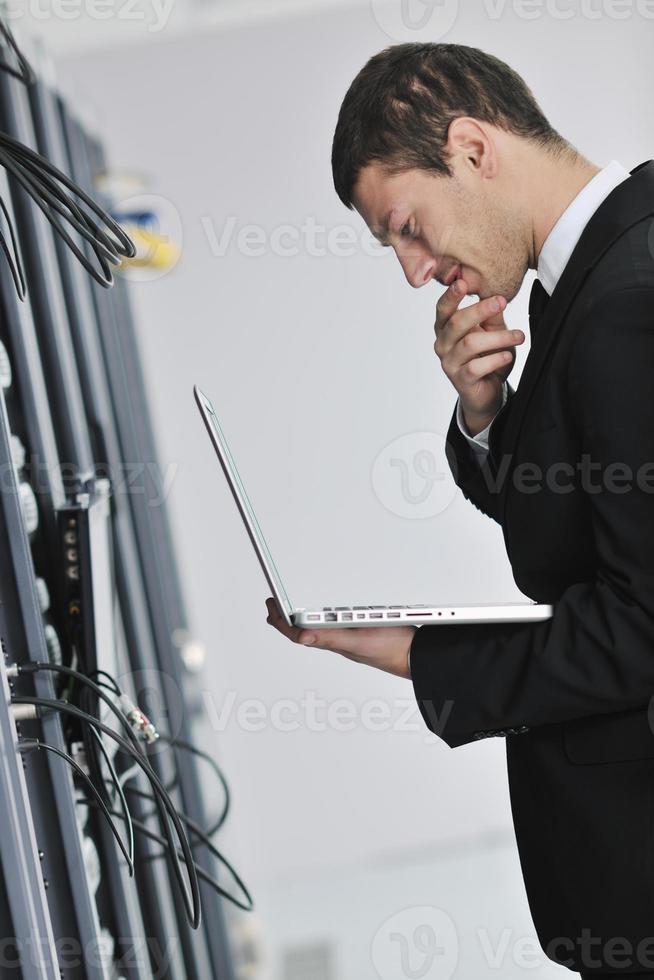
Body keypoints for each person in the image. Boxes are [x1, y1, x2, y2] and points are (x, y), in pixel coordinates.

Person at [265, 42, 654, 978]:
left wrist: (416, 654)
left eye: (406, 226)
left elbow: (642, 627)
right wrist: (486, 415)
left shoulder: (626, 305)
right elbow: (586, 525)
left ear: (472, 148)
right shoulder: (595, 272)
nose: (412, 271)